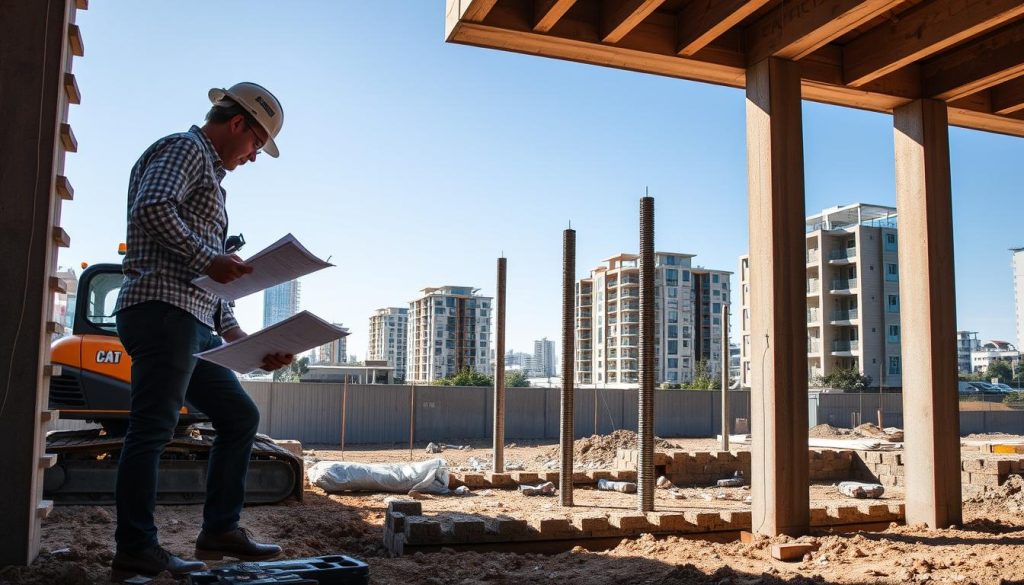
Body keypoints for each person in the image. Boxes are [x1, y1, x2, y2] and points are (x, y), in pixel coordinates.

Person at [110, 82, 291, 581]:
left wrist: (253, 348)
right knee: (152, 429)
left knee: (239, 416)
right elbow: (152, 207)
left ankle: (219, 531)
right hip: (162, 311)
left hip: (191, 320)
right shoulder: (184, 148)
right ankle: (136, 550)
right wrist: (207, 256)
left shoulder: (215, 182)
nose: (254, 158)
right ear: (237, 124)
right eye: (256, 145)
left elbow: (211, 287)